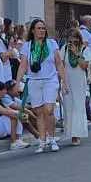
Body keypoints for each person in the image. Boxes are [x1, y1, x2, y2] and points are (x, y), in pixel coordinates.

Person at [19, 18, 65, 153]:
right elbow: (23, 65)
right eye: (38, 28)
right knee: (39, 112)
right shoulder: (27, 46)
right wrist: (17, 82)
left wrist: (65, 82)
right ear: (33, 30)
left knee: (49, 110)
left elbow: (59, 64)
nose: (41, 31)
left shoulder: (52, 44)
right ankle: (42, 141)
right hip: (34, 81)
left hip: (50, 80)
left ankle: (52, 138)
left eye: (43, 28)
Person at [60, 30, 91, 147]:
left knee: (78, 107)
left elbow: (85, 66)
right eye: (70, 38)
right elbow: (61, 65)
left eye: (75, 38)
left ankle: (77, 135)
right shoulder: (64, 49)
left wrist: (77, 53)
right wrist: (63, 81)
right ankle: (69, 132)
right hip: (67, 81)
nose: (72, 41)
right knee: (68, 107)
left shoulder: (85, 49)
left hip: (79, 82)